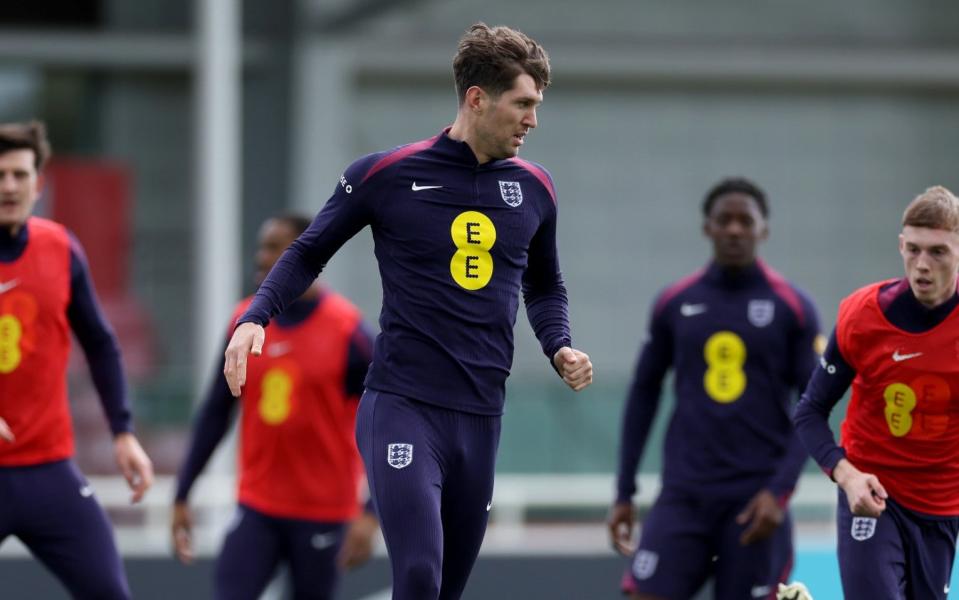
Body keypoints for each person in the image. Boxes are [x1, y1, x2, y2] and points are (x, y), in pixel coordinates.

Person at [222, 22, 592, 600]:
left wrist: (559, 344)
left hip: (481, 415)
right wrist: (254, 318)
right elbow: (307, 251)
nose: (533, 120)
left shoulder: (536, 188)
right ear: (477, 98)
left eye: (537, 105)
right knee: (418, 574)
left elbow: (545, 286)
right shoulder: (387, 174)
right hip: (403, 405)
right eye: (523, 103)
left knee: (443, 590)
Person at [609, 178, 822, 600]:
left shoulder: (792, 307)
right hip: (685, 493)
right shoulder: (675, 302)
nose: (735, 230)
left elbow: (813, 407)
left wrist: (778, 493)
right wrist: (624, 492)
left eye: (746, 221)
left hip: (754, 498)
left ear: (764, 230)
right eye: (724, 220)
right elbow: (643, 394)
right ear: (707, 227)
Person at [171, 214, 378, 600]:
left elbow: (387, 420)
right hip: (258, 504)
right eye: (261, 246)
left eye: (273, 247)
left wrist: (372, 512)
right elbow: (216, 411)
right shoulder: (245, 321)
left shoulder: (348, 331)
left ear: (305, 254)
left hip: (323, 510)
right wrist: (183, 493)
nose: (261, 257)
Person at [0, 120, 153, 599]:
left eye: (20, 175)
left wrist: (123, 432)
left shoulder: (61, 249)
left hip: (49, 470)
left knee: (110, 592)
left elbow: (102, 344)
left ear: (38, 183)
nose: (8, 186)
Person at [794, 185, 959, 599]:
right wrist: (847, 476)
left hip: (941, 507)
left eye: (938, 252)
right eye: (914, 249)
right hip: (871, 498)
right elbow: (810, 411)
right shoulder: (862, 316)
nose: (922, 265)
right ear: (901, 245)